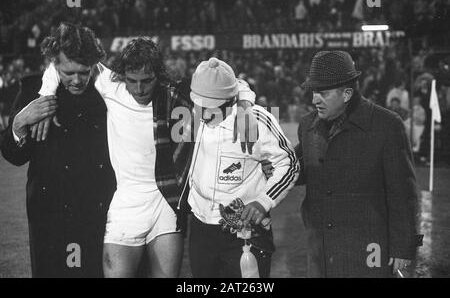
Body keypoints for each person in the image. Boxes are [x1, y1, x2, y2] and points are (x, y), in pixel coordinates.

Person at [38, 37, 257, 278]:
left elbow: (234, 84)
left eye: (147, 81)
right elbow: (60, 63)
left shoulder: (174, 93)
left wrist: (245, 106)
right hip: (126, 203)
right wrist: (45, 95)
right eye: (132, 81)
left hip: (166, 201)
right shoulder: (111, 86)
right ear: (122, 75)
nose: (139, 89)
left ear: (158, 75)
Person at [0, 23, 116, 277]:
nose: (77, 80)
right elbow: (14, 156)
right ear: (54, 65)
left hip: (97, 213)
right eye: (68, 72)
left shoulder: (110, 93)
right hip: (50, 215)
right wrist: (19, 124)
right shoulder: (33, 91)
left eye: (84, 72)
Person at [295, 51, 420, 277]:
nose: (314, 99)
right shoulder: (307, 125)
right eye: (314, 92)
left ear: (347, 94)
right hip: (320, 251)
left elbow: (403, 192)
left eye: (322, 92)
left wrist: (403, 247)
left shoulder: (387, 125)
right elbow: (295, 170)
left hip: (368, 250)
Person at [183, 58, 299, 277]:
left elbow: (289, 164)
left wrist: (264, 201)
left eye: (211, 106)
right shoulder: (193, 113)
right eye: (199, 104)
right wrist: (244, 98)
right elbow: (236, 84)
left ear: (228, 101)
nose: (203, 112)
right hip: (200, 228)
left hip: (245, 230)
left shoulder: (256, 120)